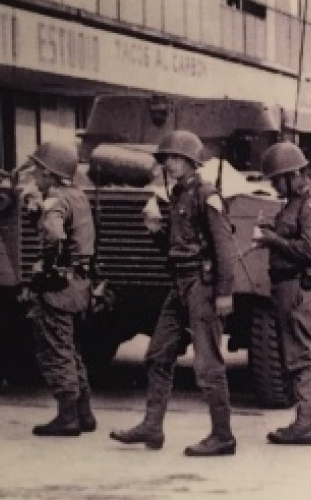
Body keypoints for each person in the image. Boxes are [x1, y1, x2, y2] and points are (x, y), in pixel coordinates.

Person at [110, 130, 239, 457]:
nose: (169, 163)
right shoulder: (178, 194)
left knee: (208, 363)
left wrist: (224, 292)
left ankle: (223, 435)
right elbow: (176, 247)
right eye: (166, 158)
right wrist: (156, 232)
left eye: (176, 157)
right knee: (157, 354)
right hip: (180, 284)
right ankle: (152, 426)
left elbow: (225, 249)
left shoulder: (206, 195)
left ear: (192, 161)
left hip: (201, 284)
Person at [254, 142, 311, 446]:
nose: (275, 186)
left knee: (302, 357)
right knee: (296, 354)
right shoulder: (294, 203)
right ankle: (309, 418)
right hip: (290, 288)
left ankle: (304, 425)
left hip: (301, 289)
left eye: (278, 179)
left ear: (295, 174)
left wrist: (273, 241)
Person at [22, 142, 97, 437]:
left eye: (37, 171)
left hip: (59, 287)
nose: (35, 177)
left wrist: (49, 261)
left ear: (49, 173)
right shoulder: (79, 196)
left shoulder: (55, 199)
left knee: (55, 350)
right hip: (79, 284)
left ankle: (67, 418)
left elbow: (53, 232)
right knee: (71, 349)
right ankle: (84, 413)